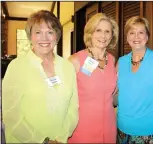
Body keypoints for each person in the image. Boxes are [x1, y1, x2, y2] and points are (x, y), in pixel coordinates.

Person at [2, 10, 79, 143]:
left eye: (50, 32)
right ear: (30, 36)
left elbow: (74, 107)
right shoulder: (16, 66)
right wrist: (44, 141)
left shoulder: (67, 67)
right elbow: (11, 115)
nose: (44, 38)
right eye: (38, 32)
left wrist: (61, 137)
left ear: (57, 36)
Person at [116, 16, 153, 143]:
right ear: (127, 37)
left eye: (141, 32)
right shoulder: (120, 62)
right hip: (122, 131)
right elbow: (116, 95)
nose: (136, 37)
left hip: (151, 133)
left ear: (147, 37)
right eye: (132, 32)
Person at [68, 13, 118, 143]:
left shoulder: (112, 61)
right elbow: (62, 99)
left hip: (109, 129)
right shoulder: (75, 60)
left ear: (112, 35)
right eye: (98, 30)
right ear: (90, 33)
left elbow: (113, 96)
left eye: (107, 31)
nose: (103, 36)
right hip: (82, 130)